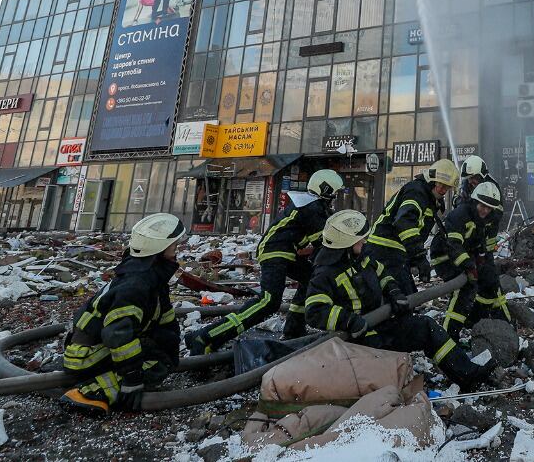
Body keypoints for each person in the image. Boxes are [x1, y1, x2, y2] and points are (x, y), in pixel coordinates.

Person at [305, 210, 494, 392]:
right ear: (346, 243)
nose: (364, 241)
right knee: (386, 371)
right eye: (359, 239)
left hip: (380, 325)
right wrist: (349, 321)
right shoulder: (324, 274)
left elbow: (382, 273)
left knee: (426, 327)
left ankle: (467, 375)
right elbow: (315, 311)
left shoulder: (360, 258)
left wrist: (394, 291)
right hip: (356, 341)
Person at [184, 169, 343, 354]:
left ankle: (294, 329)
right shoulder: (313, 208)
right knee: (269, 302)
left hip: (285, 252)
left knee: (310, 279)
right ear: (326, 190)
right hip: (275, 252)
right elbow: (324, 246)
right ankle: (206, 336)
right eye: (334, 193)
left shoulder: (309, 204)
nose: (335, 198)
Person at [60, 213, 187, 416]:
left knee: (163, 355)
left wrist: (170, 343)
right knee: (158, 364)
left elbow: (164, 316)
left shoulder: (151, 277)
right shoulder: (136, 284)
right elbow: (117, 334)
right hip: (86, 355)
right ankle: (91, 392)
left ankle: (110, 376)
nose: (176, 251)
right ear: (159, 249)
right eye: (174, 246)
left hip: (93, 347)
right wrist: (133, 378)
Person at [366, 159, 458, 295]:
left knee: (406, 296)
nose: (444, 190)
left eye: (447, 188)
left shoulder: (427, 196)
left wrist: (414, 259)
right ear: (432, 180)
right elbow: (404, 222)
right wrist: (419, 256)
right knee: (402, 297)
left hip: (394, 252)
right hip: (384, 250)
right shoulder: (416, 192)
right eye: (442, 185)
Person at [430, 180, 512, 336]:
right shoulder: (460, 215)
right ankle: (448, 337)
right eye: (483, 205)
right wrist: (469, 266)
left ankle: (488, 321)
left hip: (467, 255)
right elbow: (453, 245)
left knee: (490, 280)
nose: (485, 210)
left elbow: (486, 247)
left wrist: (485, 265)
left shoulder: (489, 219)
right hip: (444, 257)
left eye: (489, 207)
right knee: (464, 289)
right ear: (475, 201)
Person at [458, 155, 503, 256]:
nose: (470, 181)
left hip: (487, 230)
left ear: (481, 175)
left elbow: (498, 212)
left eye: (473, 178)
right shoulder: (467, 184)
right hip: (468, 230)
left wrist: (482, 218)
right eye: (468, 178)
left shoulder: (492, 186)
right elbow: (459, 202)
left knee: (486, 256)